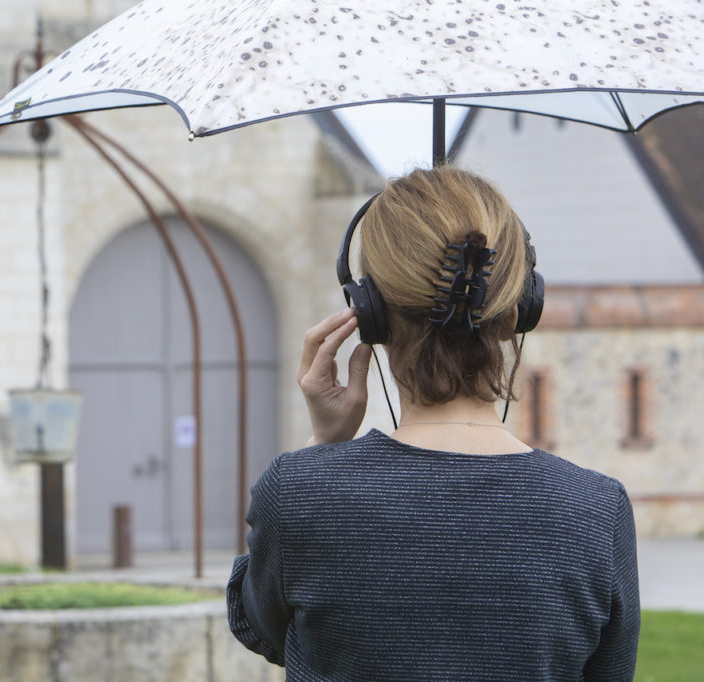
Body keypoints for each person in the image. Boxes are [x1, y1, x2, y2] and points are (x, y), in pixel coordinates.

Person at [226, 166, 640, 680]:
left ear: (368, 314)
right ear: (520, 311)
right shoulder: (596, 511)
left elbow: (257, 627)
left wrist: (324, 446)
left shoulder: (297, 492)